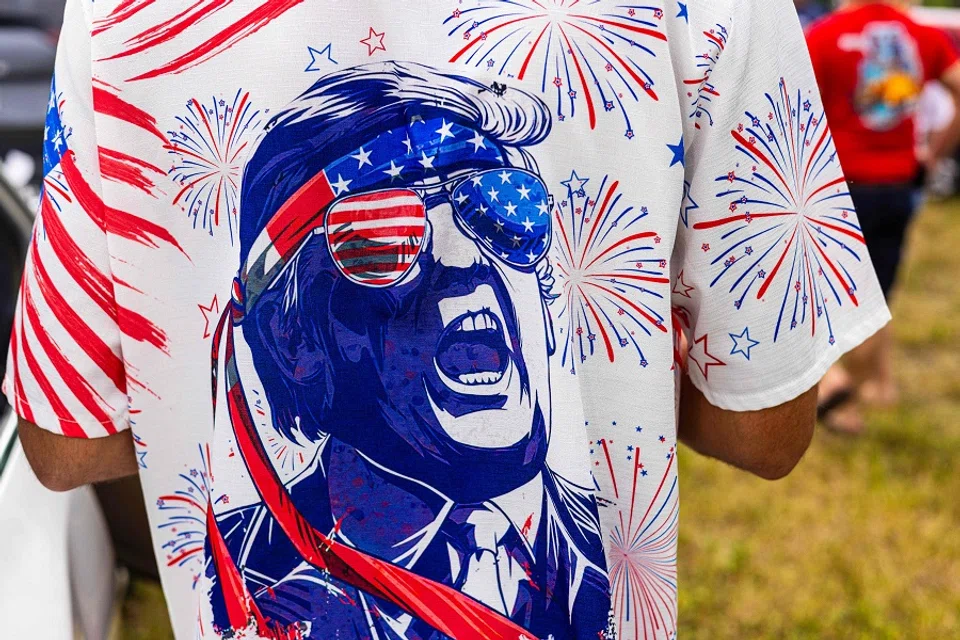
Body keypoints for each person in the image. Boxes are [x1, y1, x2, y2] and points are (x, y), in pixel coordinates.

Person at [4, 1, 890, 638]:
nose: (467, 269)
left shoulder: (118, 18)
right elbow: (763, 425)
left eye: (500, 207)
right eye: (380, 239)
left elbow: (71, 442)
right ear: (286, 342)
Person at [807, 0, 960, 434]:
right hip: (897, 185)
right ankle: (864, 389)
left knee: (822, 295)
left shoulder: (825, 33)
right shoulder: (921, 33)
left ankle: (837, 394)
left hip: (838, 186)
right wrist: (934, 153)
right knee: (875, 298)